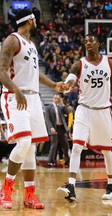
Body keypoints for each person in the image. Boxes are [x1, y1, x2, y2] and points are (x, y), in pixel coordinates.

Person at [0, 9, 64, 209]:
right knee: (24, 142)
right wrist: (16, 90)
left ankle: (29, 195)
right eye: (35, 19)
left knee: (31, 149)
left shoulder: (32, 45)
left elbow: (35, 74)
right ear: (30, 21)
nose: (37, 21)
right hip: (15, 96)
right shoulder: (12, 40)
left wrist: (54, 85)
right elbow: (1, 71)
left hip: (33, 97)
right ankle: (6, 189)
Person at [57, 33, 112, 202]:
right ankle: (71, 185)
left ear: (98, 44)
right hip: (84, 110)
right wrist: (67, 84)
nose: (87, 43)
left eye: (91, 40)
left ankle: (111, 185)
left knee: (107, 150)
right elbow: (70, 80)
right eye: (85, 41)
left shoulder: (110, 63)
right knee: (77, 146)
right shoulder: (78, 64)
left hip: (103, 111)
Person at [45, 94, 70, 166]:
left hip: (62, 128)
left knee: (65, 145)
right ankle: (51, 161)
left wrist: (62, 104)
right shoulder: (48, 108)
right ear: (53, 99)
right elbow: (47, 119)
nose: (56, 99)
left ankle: (67, 160)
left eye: (58, 98)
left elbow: (67, 113)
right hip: (54, 128)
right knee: (54, 145)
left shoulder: (61, 107)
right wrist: (51, 128)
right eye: (55, 98)